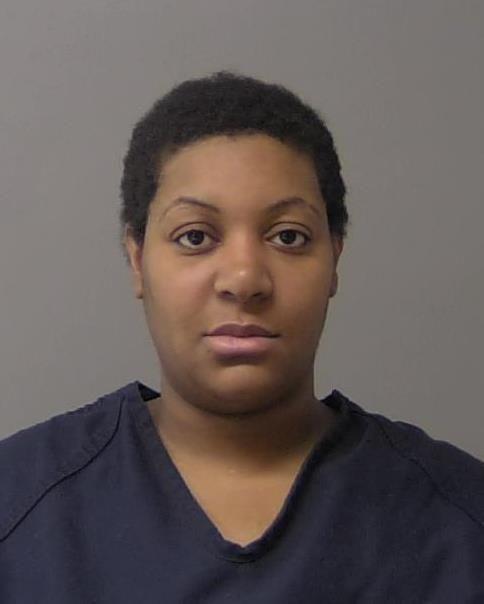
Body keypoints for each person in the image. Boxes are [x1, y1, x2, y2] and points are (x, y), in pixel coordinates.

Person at [1, 71, 483, 603]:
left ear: (335, 259)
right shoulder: (19, 507)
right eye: (195, 236)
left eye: (288, 236)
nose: (244, 279)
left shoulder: (461, 526)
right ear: (137, 260)